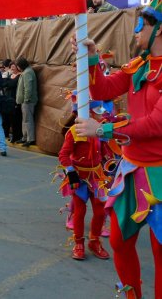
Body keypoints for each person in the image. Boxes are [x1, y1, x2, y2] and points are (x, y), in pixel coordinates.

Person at [73, 0, 162, 299]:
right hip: (131, 170)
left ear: (158, 29)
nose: (136, 31)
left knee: (160, 253)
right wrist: (93, 58)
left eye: (141, 25)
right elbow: (102, 88)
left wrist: (104, 129)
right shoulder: (140, 64)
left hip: (161, 175)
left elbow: (156, 123)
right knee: (120, 241)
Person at [58, 100, 111, 261]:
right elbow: (63, 155)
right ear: (87, 113)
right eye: (96, 111)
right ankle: (79, 243)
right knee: (79, 211)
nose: (100, 114)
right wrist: (72, 173)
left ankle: (94, 242)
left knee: (100, 211)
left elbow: (106, 154)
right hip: (79, 177)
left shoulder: (99, 131)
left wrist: (112, 169)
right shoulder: (74, 132)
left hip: (96, 176)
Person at [15, 57, 38, 147]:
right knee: (25, 119)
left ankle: (30, 139)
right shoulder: (27, 72)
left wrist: (26, 100)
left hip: (28, 101)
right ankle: (25, 137)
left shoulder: (27, 73)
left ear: (20, 66)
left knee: (28, 120)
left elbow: (28, 88)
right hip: (26, 101)